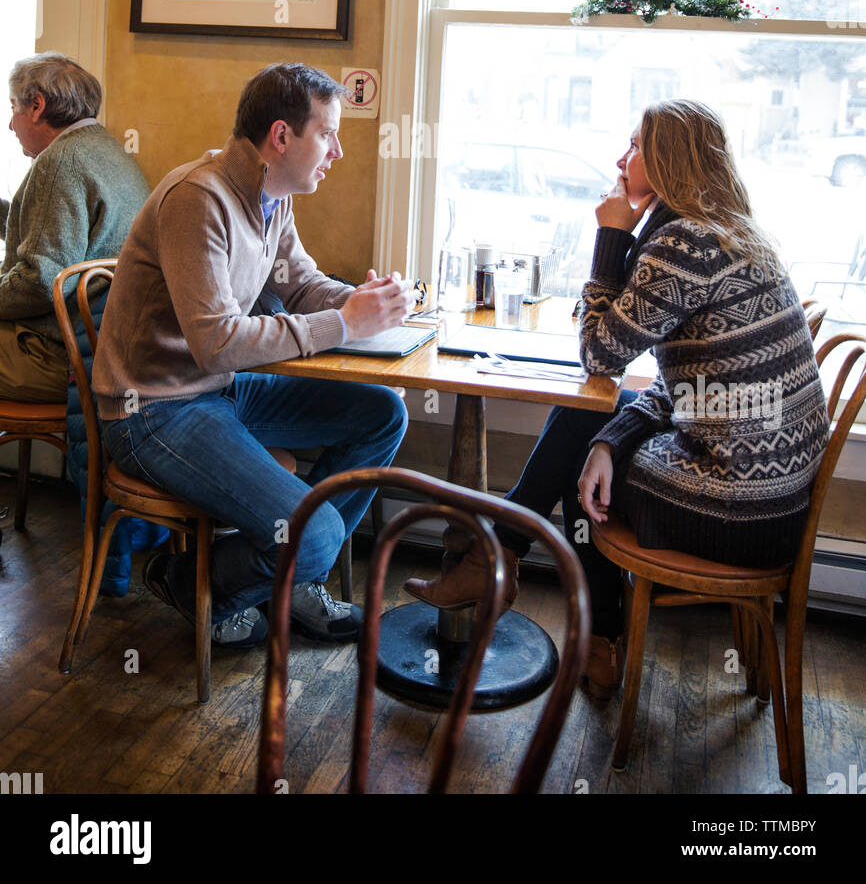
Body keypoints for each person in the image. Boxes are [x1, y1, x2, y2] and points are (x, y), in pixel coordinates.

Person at [404, 100, 829, 697]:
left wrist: (609, 237)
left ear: (668, 161)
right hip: (776, 497)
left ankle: (512, 569)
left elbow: (600, 357)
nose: (620, 159)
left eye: (634, 147)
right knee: (589, 432)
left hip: (738, 506)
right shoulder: (731, 233)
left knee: (586, 460)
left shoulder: (682, 245)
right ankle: (535, 585)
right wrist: (612, 438)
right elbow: (684, 385)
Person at [92, 63, 414, 649]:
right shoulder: (199, 199)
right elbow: (217, 342)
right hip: (153, 411)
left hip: (217, 392)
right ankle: (192, 580)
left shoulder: (273, 196)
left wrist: (364, 303)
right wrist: (344, 323)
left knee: (384, 412)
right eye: (328, 134)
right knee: (312, 537)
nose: (338, 151)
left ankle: (295, 577)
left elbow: (302, 286)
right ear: (281, 136)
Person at [0, 52, 149, 401]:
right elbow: (52, 232)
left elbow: (41, 282)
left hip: (60, 357)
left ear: (36, 106)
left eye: (13, 109)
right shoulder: (105, 147)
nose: (10, 125)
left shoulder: (60, 160)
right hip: (105, 350)